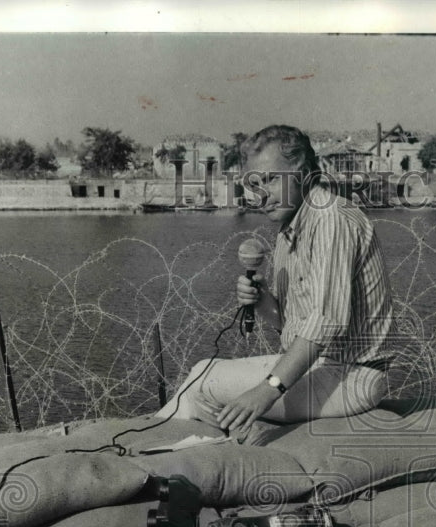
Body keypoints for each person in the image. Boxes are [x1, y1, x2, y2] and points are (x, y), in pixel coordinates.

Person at [153, 125, 397, 434]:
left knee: (202, 385)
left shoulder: (330, 219)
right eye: (254, 184)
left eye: (270, 179)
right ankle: (168, 446)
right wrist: (263, 299)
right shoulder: (290, 229)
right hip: (324, 367)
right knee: (202, 374)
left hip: (354, 376)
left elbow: (324, 323)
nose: (260, 194)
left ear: (302, 172)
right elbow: (292, 325)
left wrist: (267, 391)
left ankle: (158, 448)